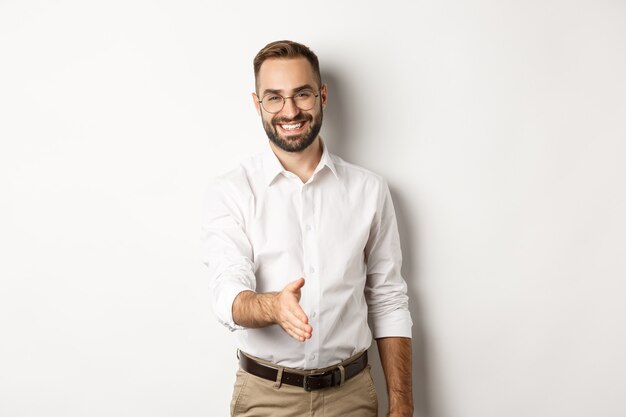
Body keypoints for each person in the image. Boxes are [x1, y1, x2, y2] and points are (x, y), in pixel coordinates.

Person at [202, 40, 413, 417]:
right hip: (266, 397)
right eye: (275, 98)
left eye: (302, 94)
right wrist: (273, 307)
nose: (290, 110)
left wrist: (402, 405)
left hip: (352, 396)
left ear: (322, 96)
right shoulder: (232, 191)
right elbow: (227, 293)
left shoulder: (369, 190)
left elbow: (388, 297)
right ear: (257, 104)